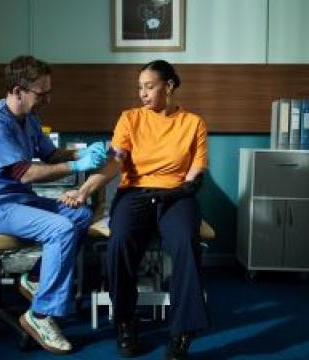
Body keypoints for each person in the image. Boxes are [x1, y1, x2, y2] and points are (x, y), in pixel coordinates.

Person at [60, 60, 210, 359]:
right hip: (135, 193)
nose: (142, 93)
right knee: (119, 243)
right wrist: (84, 190)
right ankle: (126, 322)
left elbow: (196, 168)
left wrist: (184, 190)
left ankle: (182, 331)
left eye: (149, 86)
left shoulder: (193, 123)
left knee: (185, 243)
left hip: (176, 195)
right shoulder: (130, 119)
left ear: (168, 86)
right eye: (140, 87)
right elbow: (116, 162)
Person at [0, 55, 107, 354]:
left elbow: (51, 155)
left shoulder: (29, 119)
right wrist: (79, 166)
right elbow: (24, 173)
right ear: (17, 91)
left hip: (18, 200)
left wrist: (80, 152)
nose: (48, 99)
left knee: (80, 213)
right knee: (62, 229)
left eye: (49, 92)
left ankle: (35, 278)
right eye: (42, 93)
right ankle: (39, 315)